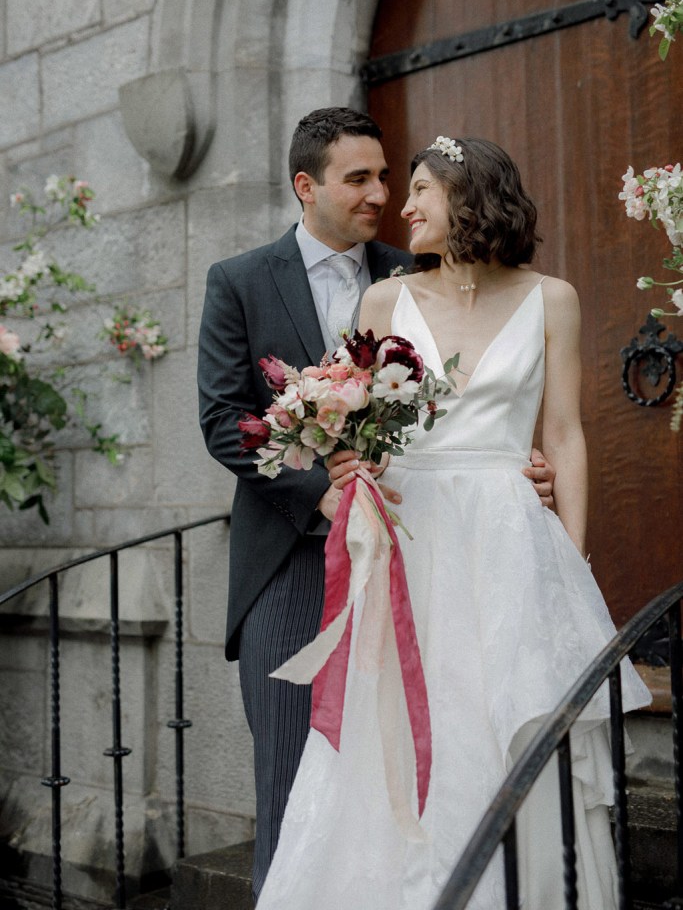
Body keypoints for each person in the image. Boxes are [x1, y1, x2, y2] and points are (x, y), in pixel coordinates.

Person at [254, 136, 651, 909]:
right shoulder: (382, 301)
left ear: (469, 198)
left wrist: (569, 559)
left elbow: (563, 433)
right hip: (408, 535)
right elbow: (354, 421)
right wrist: (339, 457)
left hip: (509, 536)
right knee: (396, 719)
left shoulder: (552, 298)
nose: (403, 208)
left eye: (422, 190)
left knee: (502, 715)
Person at [197, 111, 556, 902]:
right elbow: (224, 420)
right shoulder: (239, 280)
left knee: (422, 769)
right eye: (359, 179)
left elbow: (477, 395)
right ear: (307, 186)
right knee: (299, 788)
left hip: (418, 555)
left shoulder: (422, 266)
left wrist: (518, 471)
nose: (383, 196)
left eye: (388, 177)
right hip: (290, 559)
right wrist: (318, 492)